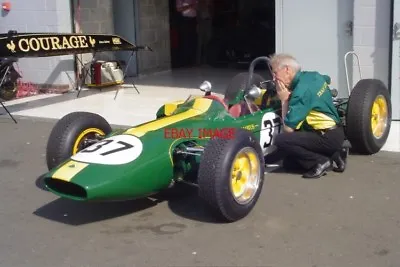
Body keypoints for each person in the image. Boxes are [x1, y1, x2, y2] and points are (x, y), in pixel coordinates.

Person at [269, 53, 348, 179]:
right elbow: (328, 79)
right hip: (337, 131)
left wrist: (284, 100)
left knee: (282, 140)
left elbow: (288, 129)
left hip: (326, 136)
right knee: (289, 163)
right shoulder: (313, 75)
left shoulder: (301, 92)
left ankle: (319, 161)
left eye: (275, 73)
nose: (274, 79)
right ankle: (336, 154)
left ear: (287, 70)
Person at [176, 0, 198, 66]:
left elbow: (197, 6)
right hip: (185, 20)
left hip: (193, 20)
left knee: (193, 40)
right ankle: (184, 61)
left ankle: (191, 61)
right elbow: (178, 9)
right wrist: (190, 6)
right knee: (185, 40)